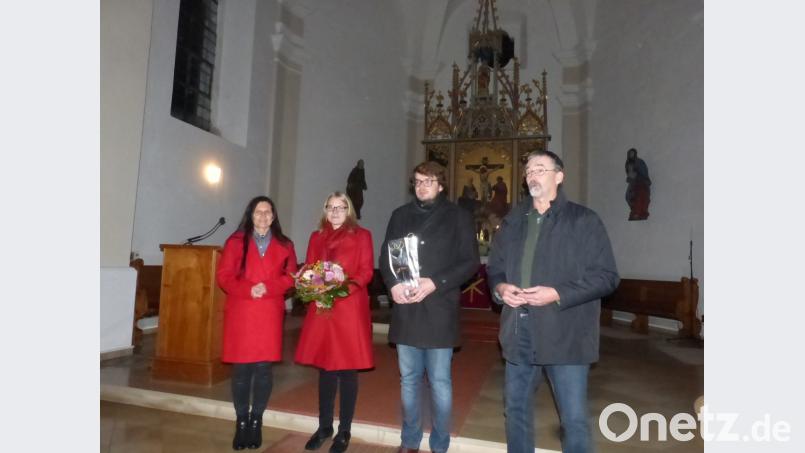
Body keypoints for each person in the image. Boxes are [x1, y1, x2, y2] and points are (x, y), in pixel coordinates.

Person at [487, 150, 619, 453]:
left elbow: (607, 277)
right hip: (519, 330)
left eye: (540, 169)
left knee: (573, 419)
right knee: (515, 410)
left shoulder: (584, 220)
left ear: (559, 176)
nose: (532, 175)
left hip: (566, 331)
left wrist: (557, 293)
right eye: (529, 170)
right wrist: (501, 288)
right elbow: (495, 269)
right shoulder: (512, 222)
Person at [379, 161, 480, 453]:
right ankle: (410, 441)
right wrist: (393, 285)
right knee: (409, 380)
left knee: (439, 382)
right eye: (418, 181)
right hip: (407, 308)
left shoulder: (458, 216)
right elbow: (387, 256)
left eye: (429, 181)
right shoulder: (400, 215)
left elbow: (470, 261)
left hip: (439, 309)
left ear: (441, 184)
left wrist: (436, 282)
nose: (422, 186)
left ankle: (439, 444)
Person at [295, 192, 375, 453]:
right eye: (331, 207)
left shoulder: (362, 235)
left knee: (347, 371)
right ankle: (324, 427)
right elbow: (309, 268)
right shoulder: (316, 236)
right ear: (325, 210)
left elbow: (365, 271)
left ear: (349, 210)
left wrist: (339, 290)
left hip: (349, 308)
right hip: (322, 308)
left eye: (341, 207)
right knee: (326, 369)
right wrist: (312, 287)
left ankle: (344, 431)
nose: (336, 211)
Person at [217, 196, 298, 450]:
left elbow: (291, 277)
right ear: (250, 215)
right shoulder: (235, 242)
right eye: (258, 212)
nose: (263, 216)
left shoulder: (285, 244)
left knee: (263, 370)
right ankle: (241, 421)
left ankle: (256, 420)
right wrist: (248, 289)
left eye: (267, 212)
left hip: (269, 311)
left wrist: (269, 287)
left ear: (273, 217)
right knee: (241, 371)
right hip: (242, 310)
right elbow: (224, 276)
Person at [624, 147, 651, 220]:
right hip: (633, 182)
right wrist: (630, 177)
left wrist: (637, 176)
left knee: (640, 196)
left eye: (632, 153)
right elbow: (629, 173)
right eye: (630, 154)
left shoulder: (639, 162)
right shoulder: (628, 163)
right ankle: (635, 211)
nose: (631, 155)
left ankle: (638, 213)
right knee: (628, 196)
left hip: (640, 182)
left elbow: (643, 172)